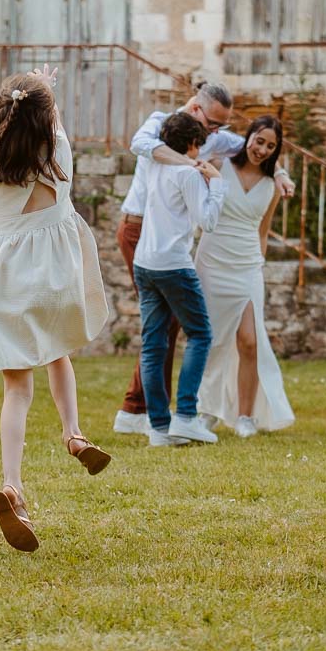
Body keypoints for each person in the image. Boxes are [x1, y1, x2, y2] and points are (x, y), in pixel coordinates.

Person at [0, 65, 111, 553]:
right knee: (57, 352)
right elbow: (50, 118)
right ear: (46, 116)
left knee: (16, 389)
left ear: (0, 116)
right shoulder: (58, 149)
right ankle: (73, 433)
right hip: (54, 280)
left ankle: (13, 484)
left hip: (4, 285)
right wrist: (44, 86)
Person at [112, 84, 296, 436]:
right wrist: (195, 166)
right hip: (140, 230)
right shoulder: (160, 126)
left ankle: (149, 416)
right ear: (196, 108)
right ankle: (166, 414)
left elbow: (251, 145)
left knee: (162, 328)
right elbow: (143, 147)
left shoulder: (215, 138)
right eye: (213, 124)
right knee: (182, 330)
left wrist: (281, 173)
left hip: (159, 241)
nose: (217, 133)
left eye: (221, 127)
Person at [193, 116, 295, 437]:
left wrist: (258, 264)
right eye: (258, 140)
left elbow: (263, 231)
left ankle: (245, 416)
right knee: (212, 339)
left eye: (270, 146)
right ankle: (205, 409)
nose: (262, 149)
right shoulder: (218, 165)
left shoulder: (272, 185)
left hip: (248, 264)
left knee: (249, 341)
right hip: (213, 260)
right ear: (246, 137)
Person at [134, 112, 225, 447]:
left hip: (144, 262)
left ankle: (159, 428)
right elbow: (208, 221)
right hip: (174, 265)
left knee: (153, 345)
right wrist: (215, 182)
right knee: (200, 334)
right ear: (191, 144)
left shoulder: (154, 165)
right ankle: (186, 416)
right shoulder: (187, 173)